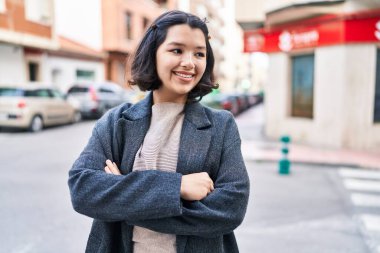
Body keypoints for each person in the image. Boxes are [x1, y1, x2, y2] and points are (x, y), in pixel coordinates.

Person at [68, 10, 250, 253]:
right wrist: (178, 187)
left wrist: (123, 197)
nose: (189, 62)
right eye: (177, 50)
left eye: (199, 53)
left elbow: (230, 209)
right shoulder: (116, 122)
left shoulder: (221, 126)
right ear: (153, 53)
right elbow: (83, 189)